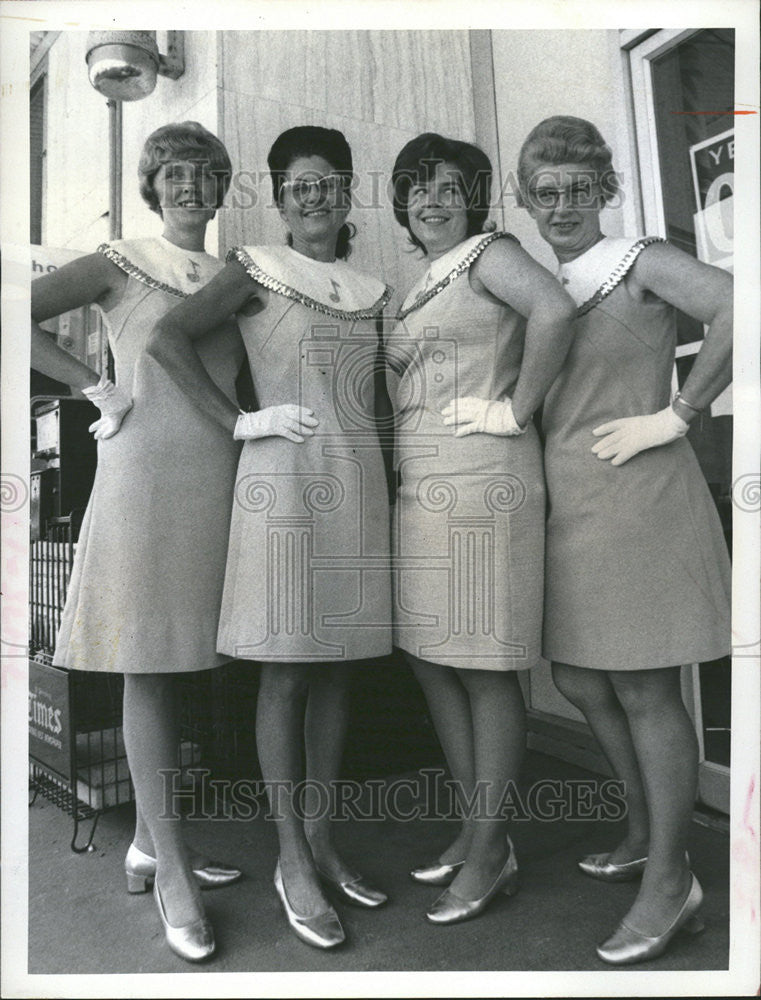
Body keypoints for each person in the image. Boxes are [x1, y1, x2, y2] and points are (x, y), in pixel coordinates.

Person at [471, 114, 731, 965]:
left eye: (578, 189)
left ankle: (672, 879)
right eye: (544, 194)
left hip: (641, 499)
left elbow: (741, 305)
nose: (561, 207)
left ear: (604, 189)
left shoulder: (642, 259)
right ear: (527, 199)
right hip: (572, 508)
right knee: (582, 676)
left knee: (647, 690)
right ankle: (642, 826)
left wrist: (677, 414)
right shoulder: (550, 283)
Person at [146, 125, 393, 950]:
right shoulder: (251, 268)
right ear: (280, 199)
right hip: (280, 485)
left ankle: (320, 842)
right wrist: (240, 420)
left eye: (326, 182)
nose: (312, 196)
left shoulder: (372, 287)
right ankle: (289, 855)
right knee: (286, 674)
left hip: (355, 489)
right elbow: (167, 339)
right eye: (296, 185)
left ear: (344, 193)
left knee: (339, 674)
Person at [31, 122, 247, 964]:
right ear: (154, 186)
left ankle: (153, 841)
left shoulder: (234, 275)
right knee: (149, 662)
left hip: (220, 481)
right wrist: (94, 387)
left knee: (191, 660)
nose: (191, 185)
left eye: (206, 174)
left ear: (221, 189)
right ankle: (172, 875)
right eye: (175, 173)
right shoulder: (119, 261)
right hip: (143, 479)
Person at [388, 132, 576, 925]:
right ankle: (478, 834)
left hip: (481, 485)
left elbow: (554, 310)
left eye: (449, 187)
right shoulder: (419, 282)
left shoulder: (489, 253)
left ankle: (492, 847)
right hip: (422, 493)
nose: (432, 200)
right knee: (434, 662)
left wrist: (514, 407)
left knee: (485, 667)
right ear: (400, 201)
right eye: (417, 188)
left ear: (473, 196)